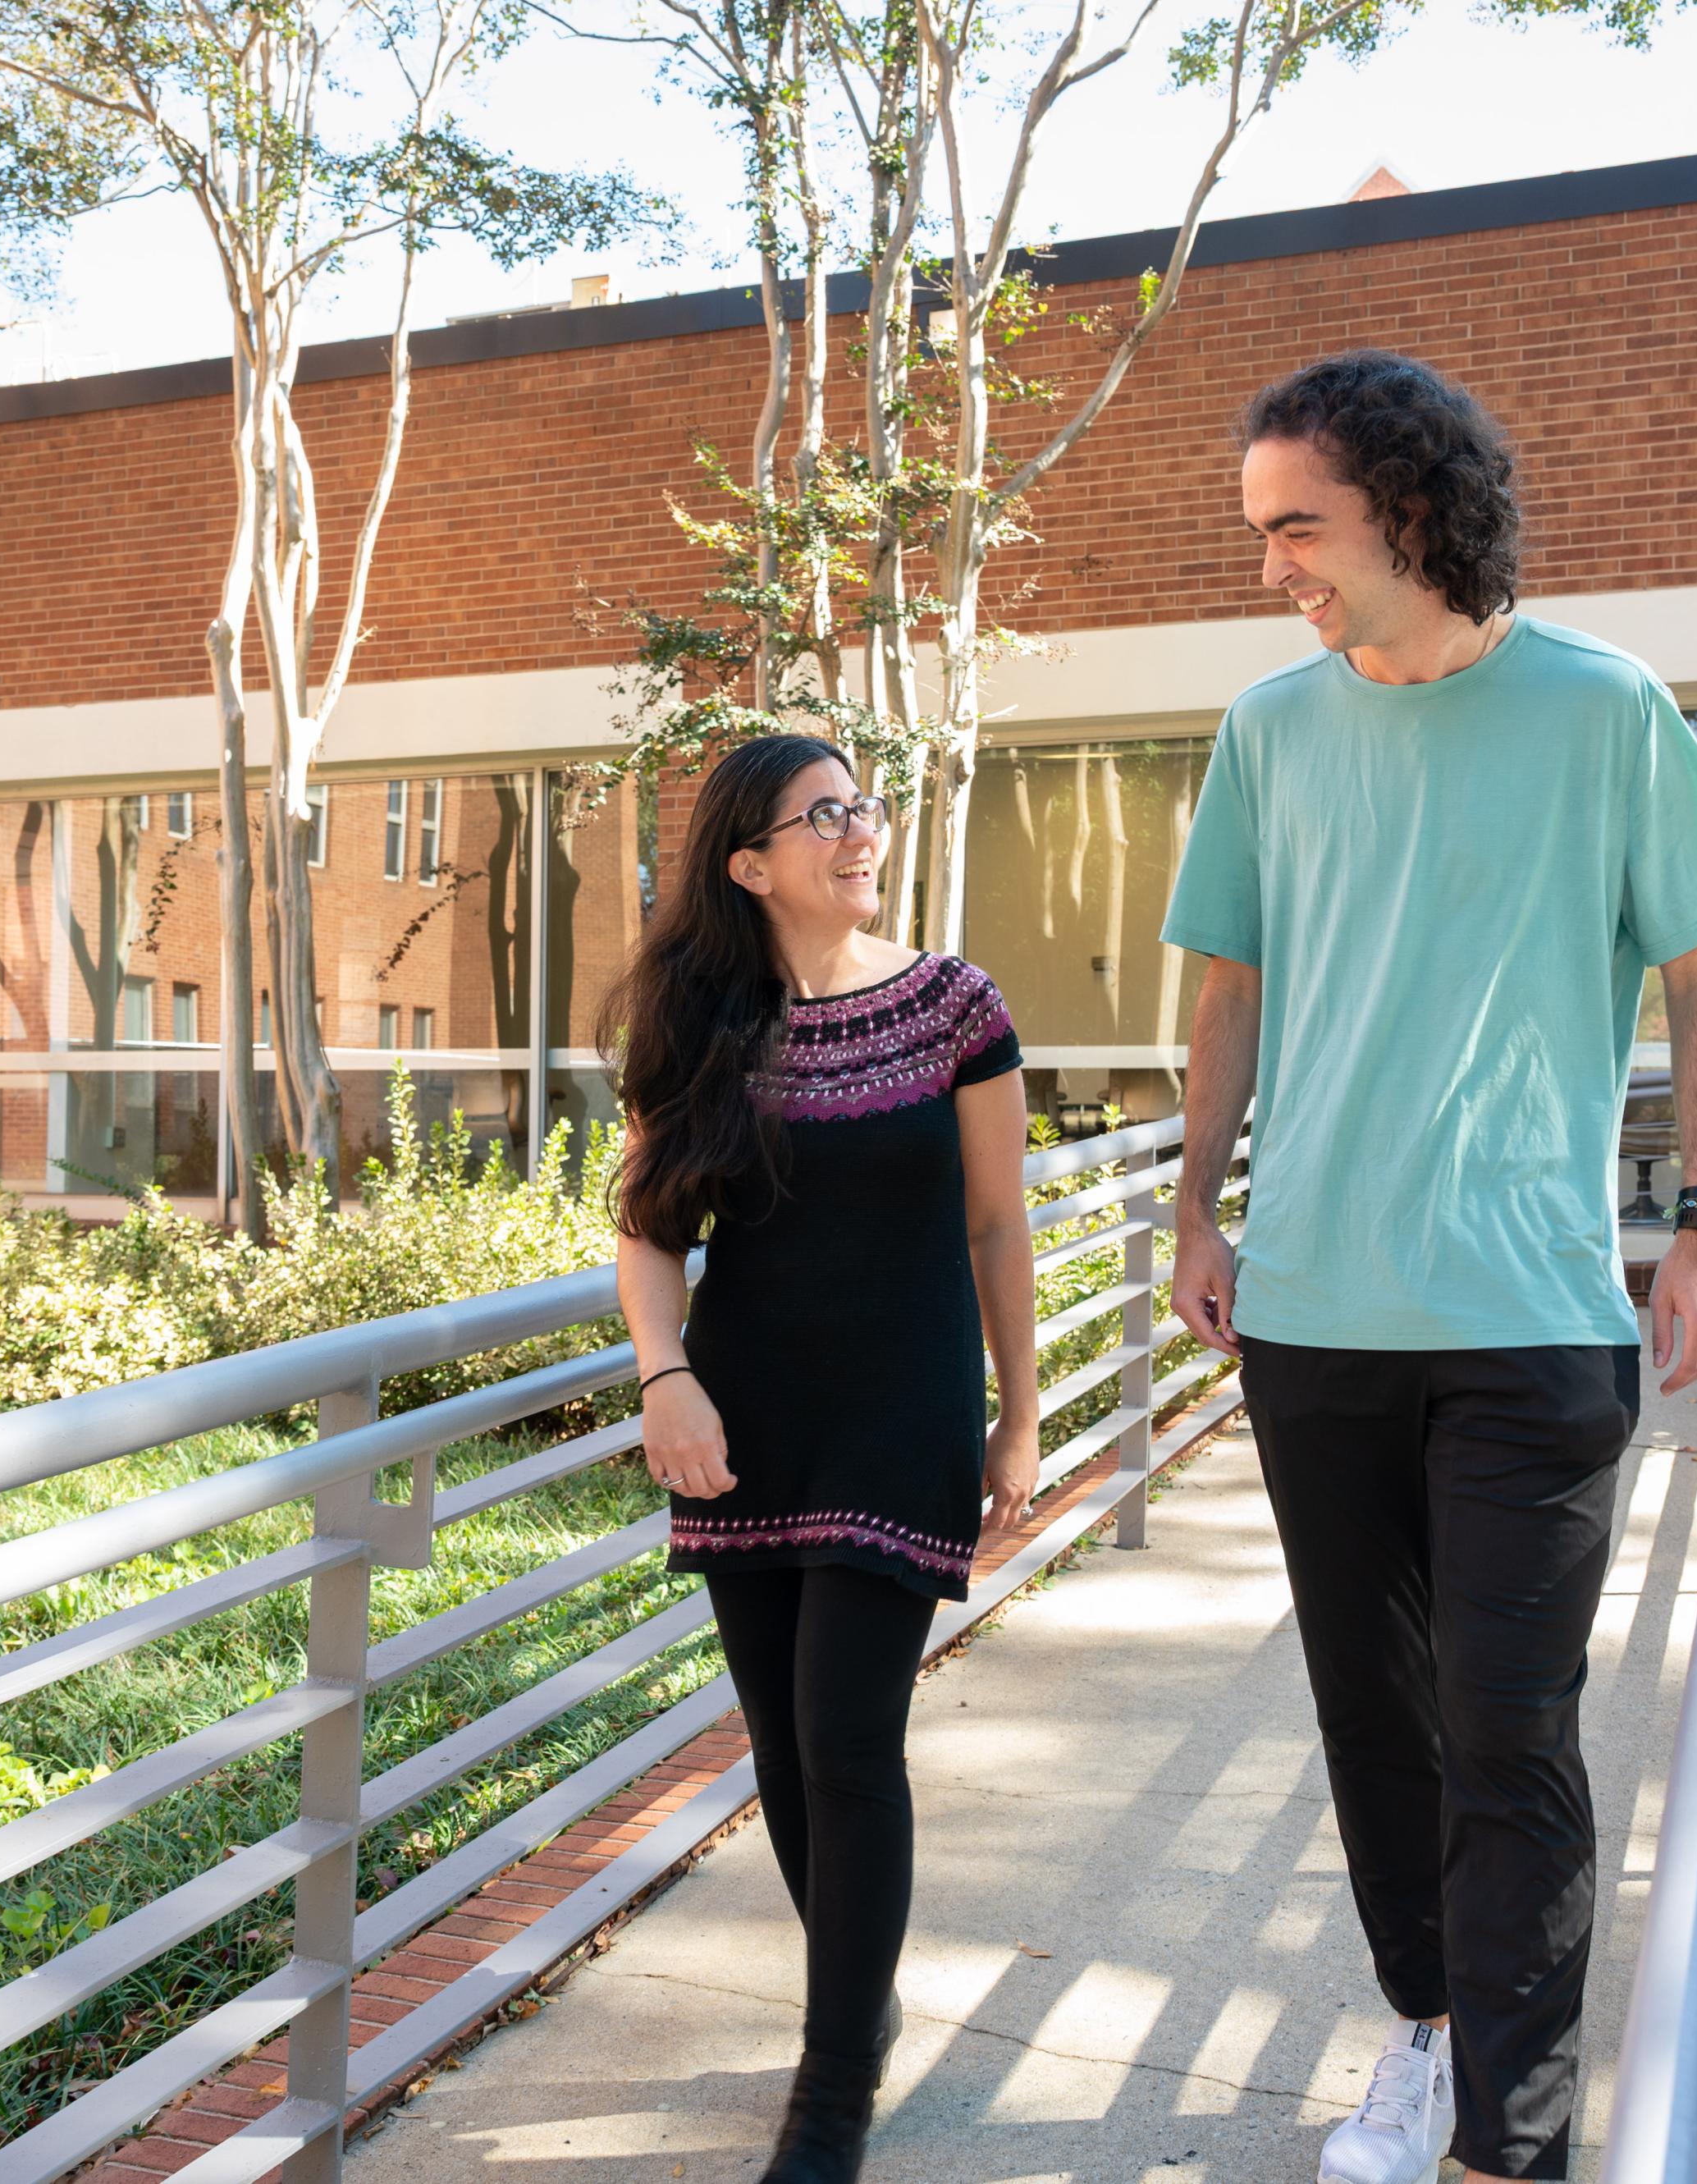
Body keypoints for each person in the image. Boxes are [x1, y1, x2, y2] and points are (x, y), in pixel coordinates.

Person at [1161, 350, 1697, 2184]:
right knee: (1374, 1720)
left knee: (1506, 1729)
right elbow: (1226, 992)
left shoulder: (1600, 706)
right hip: (1311, 1320)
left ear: (1412, 510)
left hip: (1529, 1325)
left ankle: (1507, 2141)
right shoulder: (1265, 730)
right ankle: (1431, 2030)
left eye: (1300, 526)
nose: (1273, 562)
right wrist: (1197, 1208)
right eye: (1258, 527)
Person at [608, 733, 1042, 2184]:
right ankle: (859, 1995)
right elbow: (652, 1231)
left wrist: (1021, 1410)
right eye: (825, 814)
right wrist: (665, 1378)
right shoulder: (696, 1021)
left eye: (866, 805)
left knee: (851, 1739)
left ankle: (833, 2087)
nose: (862, 830)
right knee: (788, 1753)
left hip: (903, 1413)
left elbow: (996, 1224)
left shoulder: (954, 1005)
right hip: (748, 1422)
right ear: (751, 862)